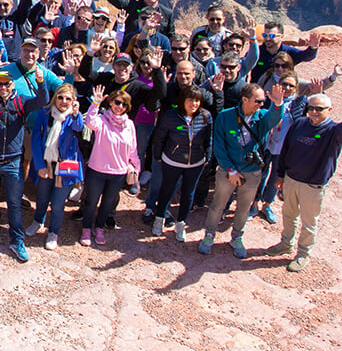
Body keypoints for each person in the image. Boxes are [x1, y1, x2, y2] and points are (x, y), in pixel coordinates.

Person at [0, 68, 51, 262]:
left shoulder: (21, 101)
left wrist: (40, 81)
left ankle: (17, 240)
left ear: (12, 84)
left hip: (13, 162)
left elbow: (42, 100)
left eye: (6, 84)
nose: (3, 87)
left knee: (13, 203)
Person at [269, 94, 342, 272]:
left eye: (320, 109)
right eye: (311, 108)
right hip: (292, 180)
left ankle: (303, 254)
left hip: (312, 185)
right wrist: (280, 176)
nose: (315, 112)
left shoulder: (333, 131)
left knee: (309, 221)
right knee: (289, 214)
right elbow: (286, 149)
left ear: (329, 110)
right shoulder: (300, 124)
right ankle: (285, 244)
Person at [199, 82, 285, 258]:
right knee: (218, 205)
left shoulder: (261, 117)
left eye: (262, 101)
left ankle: (237, 237)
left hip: (252, 172)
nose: (261, 104)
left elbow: (274, 119)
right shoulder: (225, 116)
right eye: (258, 101)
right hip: (227, 171)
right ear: (245, 99)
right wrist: (230, 170)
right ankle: (209, 235)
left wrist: (277, 104)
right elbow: (219, 146)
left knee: (244, 207)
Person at [146, 87, 214, 241]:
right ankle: (159, 218)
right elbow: (160, 137)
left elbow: (208, 139)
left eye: (197, 100)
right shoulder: (171, 116)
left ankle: (181, 223)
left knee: (188, 194)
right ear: (183, 100)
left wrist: (207, 156)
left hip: (195, 162)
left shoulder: (205, 116)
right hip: (172, 160)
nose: (194, 103)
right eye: (190, 99)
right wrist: (158, 155)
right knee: (167, 190)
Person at [78, 86, 140, 247]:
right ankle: (86, 228)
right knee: (91, 201)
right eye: (117, 102)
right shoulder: (102, 120)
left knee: (107, 203)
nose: (120, 106)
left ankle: (99, 228)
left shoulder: (129, 125)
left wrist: (136, 168)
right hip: (97, 169)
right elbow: (89, 122)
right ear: (111, 102)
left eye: (124, 104)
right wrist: (95, 103)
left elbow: (133, 148)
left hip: (118, 172)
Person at [28, 84, 84, 250]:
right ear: (55, 98)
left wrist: (76, 113)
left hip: (65, 167)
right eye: (60, 97)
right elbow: (36, 139)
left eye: (68, 98)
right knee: (42, 197)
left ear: (73, 101)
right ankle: (38, 221)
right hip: (47, 163)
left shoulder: (73, 117)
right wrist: (39, 164)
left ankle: (53, 232)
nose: (63, 101)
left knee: (58, 203)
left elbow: (79, 128)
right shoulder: (45, 113)